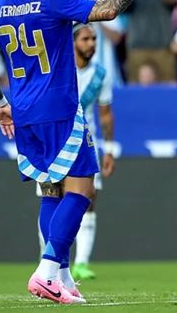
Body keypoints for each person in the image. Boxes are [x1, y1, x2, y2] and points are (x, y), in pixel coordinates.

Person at [0, 0, 166, 304]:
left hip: (25, 112)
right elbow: (107, 10)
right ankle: (46, 272)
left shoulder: (0, 6)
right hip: (60, 109)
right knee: (82, 190)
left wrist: (0, 103)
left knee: (51, 190)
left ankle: (62, 276)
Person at [36, 23, 116, 281]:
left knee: (87, 201)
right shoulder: (57, 69)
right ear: (72, 42)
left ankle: (80, 263)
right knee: (53, 198)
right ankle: (50, 260)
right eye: (85, 39)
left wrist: (110, 149)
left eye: (94, 39)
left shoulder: (101, 75)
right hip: (55, 141)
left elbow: (105, 114)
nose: (91, 43)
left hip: (84, 142)